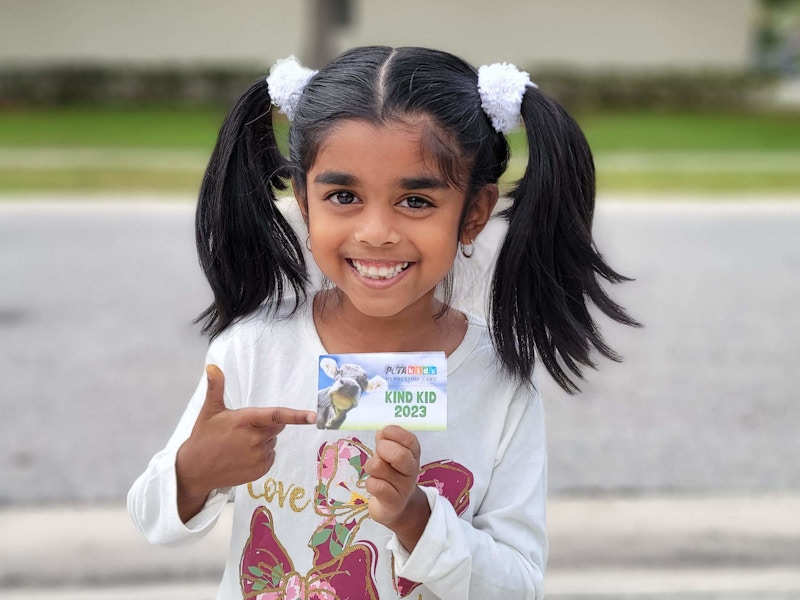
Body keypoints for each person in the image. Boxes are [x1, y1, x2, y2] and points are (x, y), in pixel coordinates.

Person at [128, 46, 637, 600]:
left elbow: (518, 586)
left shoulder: (497, 384)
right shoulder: (252, 352)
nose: (375, 231)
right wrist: (195, 471)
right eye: (343, 196)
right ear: (303, 198)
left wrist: (417, 517)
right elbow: (152, 519)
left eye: (415, 200)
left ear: (473, 213)